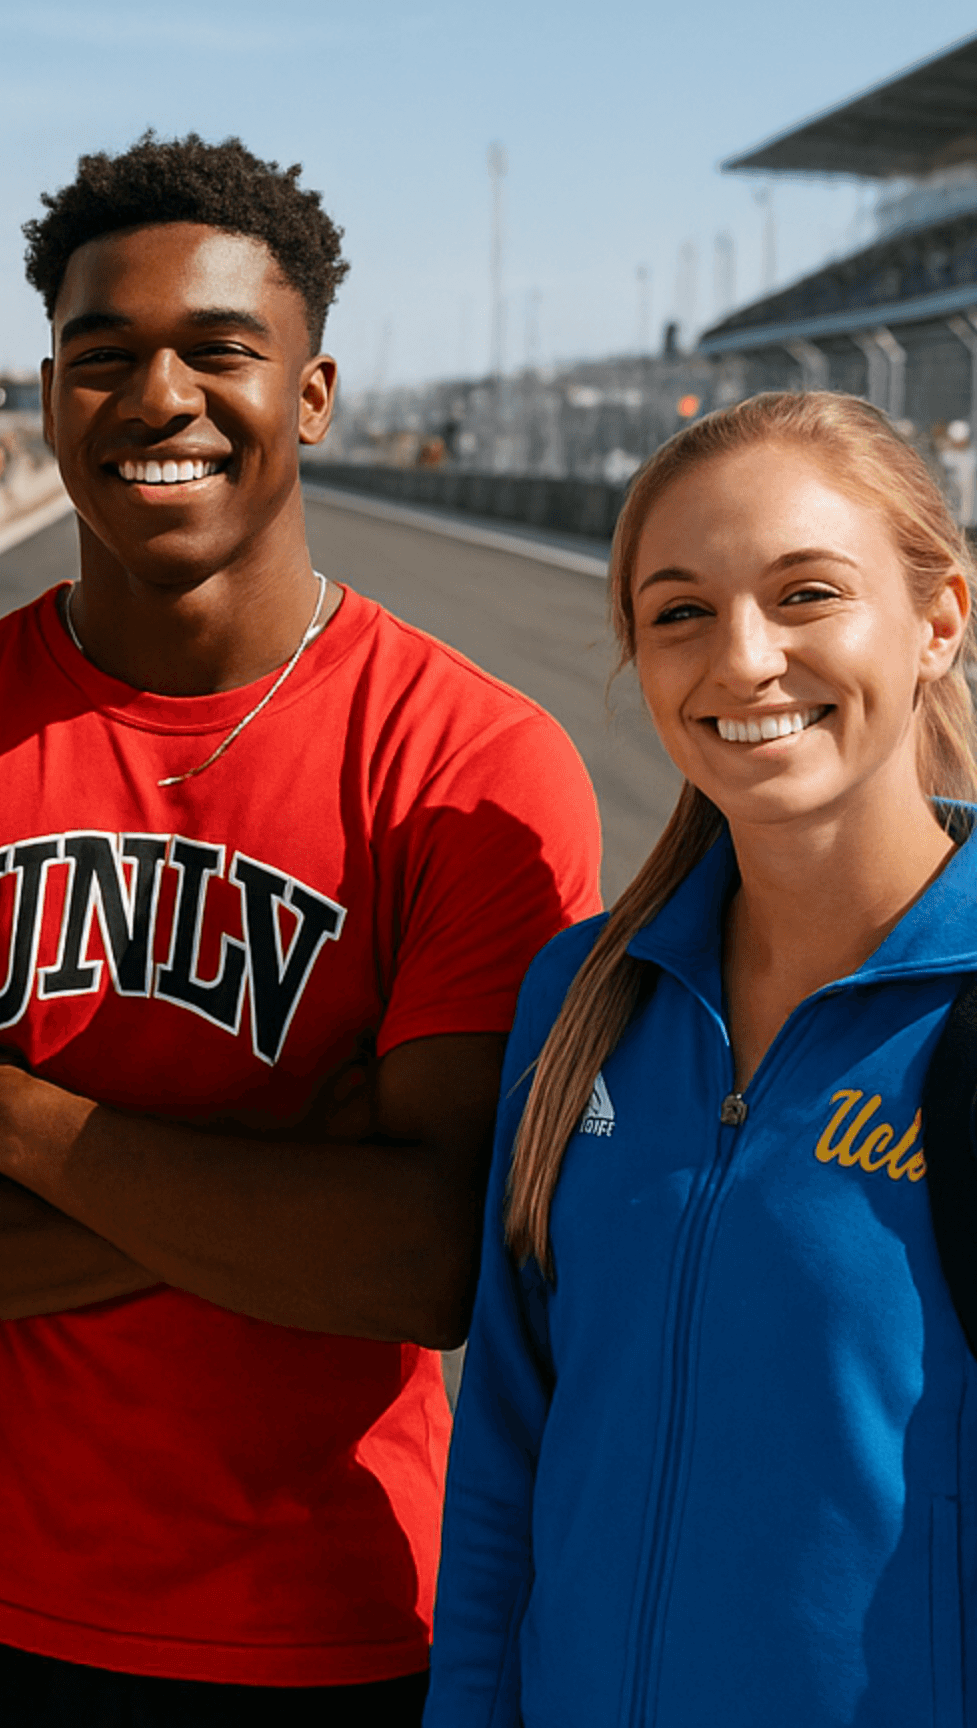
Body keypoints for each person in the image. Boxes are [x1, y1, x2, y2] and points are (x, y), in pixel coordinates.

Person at [0, 130, 604, 1726]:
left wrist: (13, 1116)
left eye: (221, 350)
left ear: (313, 393)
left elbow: (430, 1259)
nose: (160, 399)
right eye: (105, 357)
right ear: (47, 393)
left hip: (343, 1631)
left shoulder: (472, 765)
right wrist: (281, 1188)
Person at [428, 392, 977, 1726]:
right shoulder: (583, 996)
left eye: (805, 596)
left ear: (939, 621)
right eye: (681, 612)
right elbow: (506, 1455)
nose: (742, 660)